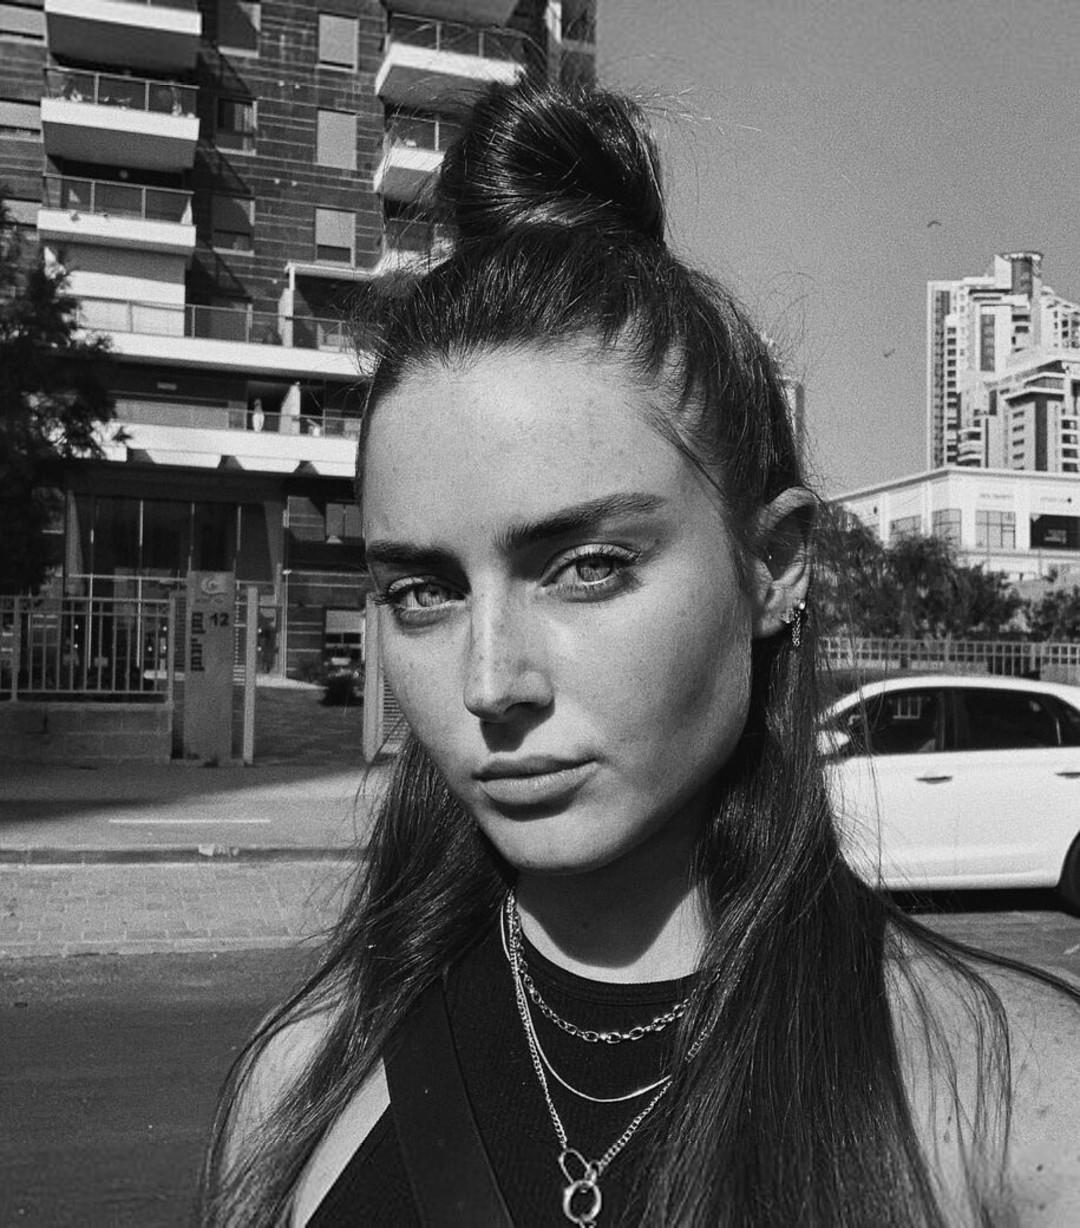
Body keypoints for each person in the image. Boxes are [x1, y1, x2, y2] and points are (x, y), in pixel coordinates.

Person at [201, 81, 1080, 1227]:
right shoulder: (300, 1087)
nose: (490, 683)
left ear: (774, 564)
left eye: (588, 567)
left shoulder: (1010, 1102)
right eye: (423, 591)